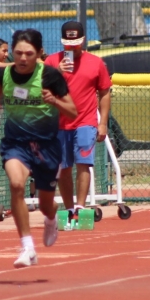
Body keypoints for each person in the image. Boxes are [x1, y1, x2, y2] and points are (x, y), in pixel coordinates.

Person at [0, 29, 76, 268]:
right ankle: (27, 246)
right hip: (16, 143)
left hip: (46, 146)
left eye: (29, 53)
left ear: (39, 54)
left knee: (46, 204)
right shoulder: (4, 73)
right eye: (18, 53)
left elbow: (73, 110)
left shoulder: (50, 75)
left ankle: (51, 217)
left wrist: (54, 101)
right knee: (16, 184)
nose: (23, 58)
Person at [44, 21, 111, 223]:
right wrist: (58, 73)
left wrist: (103, 123)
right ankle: (69, 209)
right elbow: (41, 91)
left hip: (86, 121)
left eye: (76, 42)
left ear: (83, 40)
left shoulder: (96, 62)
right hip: (59, 124)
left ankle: (80, 207)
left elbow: (105, 92)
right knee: (64, 167)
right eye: (68, 42)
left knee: (83, 163)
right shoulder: (51, 61)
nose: (71, 47)